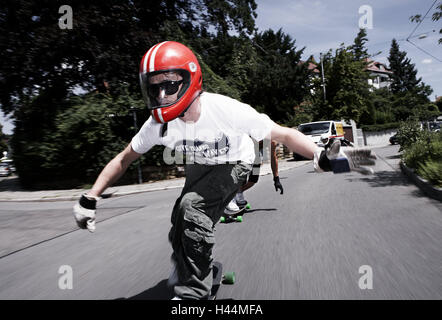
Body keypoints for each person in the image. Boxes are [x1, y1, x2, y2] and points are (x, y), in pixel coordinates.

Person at [73, 41, 376, 300]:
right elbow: (124, 158)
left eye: (170, 85)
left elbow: (281, 134)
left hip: (236, 163)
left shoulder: (225, 109)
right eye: (155, 88)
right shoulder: (158, 125)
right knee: (178, 219)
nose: (163, 96)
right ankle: (198, 265)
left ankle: (194, 292)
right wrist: (90, 197)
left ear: (191, 80)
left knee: (193, 209)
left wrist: (323, 156)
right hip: (200, 164)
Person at [225, 140, 283, 214]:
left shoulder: (273, 142)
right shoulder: (253, 132)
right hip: (240, 152)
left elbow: (273, 158)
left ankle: (238, 193)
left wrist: (276, 179)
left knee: (253, 181)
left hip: (255, 157)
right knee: (240, 177)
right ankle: (230, 199)